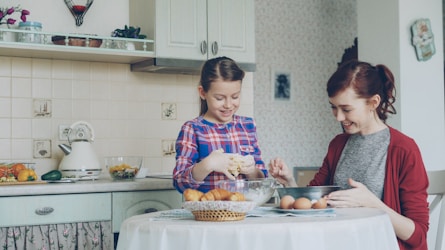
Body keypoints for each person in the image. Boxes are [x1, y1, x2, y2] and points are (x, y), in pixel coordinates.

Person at [269, 60, 429, 250]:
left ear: (374, 102)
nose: (338, 117)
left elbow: (417, 234)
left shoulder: (404, 149)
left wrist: (372, 204)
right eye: (333, 107)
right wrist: (289, 182)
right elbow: (312, 204)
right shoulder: (338, 144)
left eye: (346, 109)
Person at [173, 56, 267, 193]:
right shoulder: (193, 129)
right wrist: (207, 165)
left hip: (246, 212)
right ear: (203, 93)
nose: (228, 105)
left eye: (235, 97)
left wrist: (252, 171)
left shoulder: (248, 126)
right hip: (208, 213)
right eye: (219, 98)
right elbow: (179, 183)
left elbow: (261, 181)